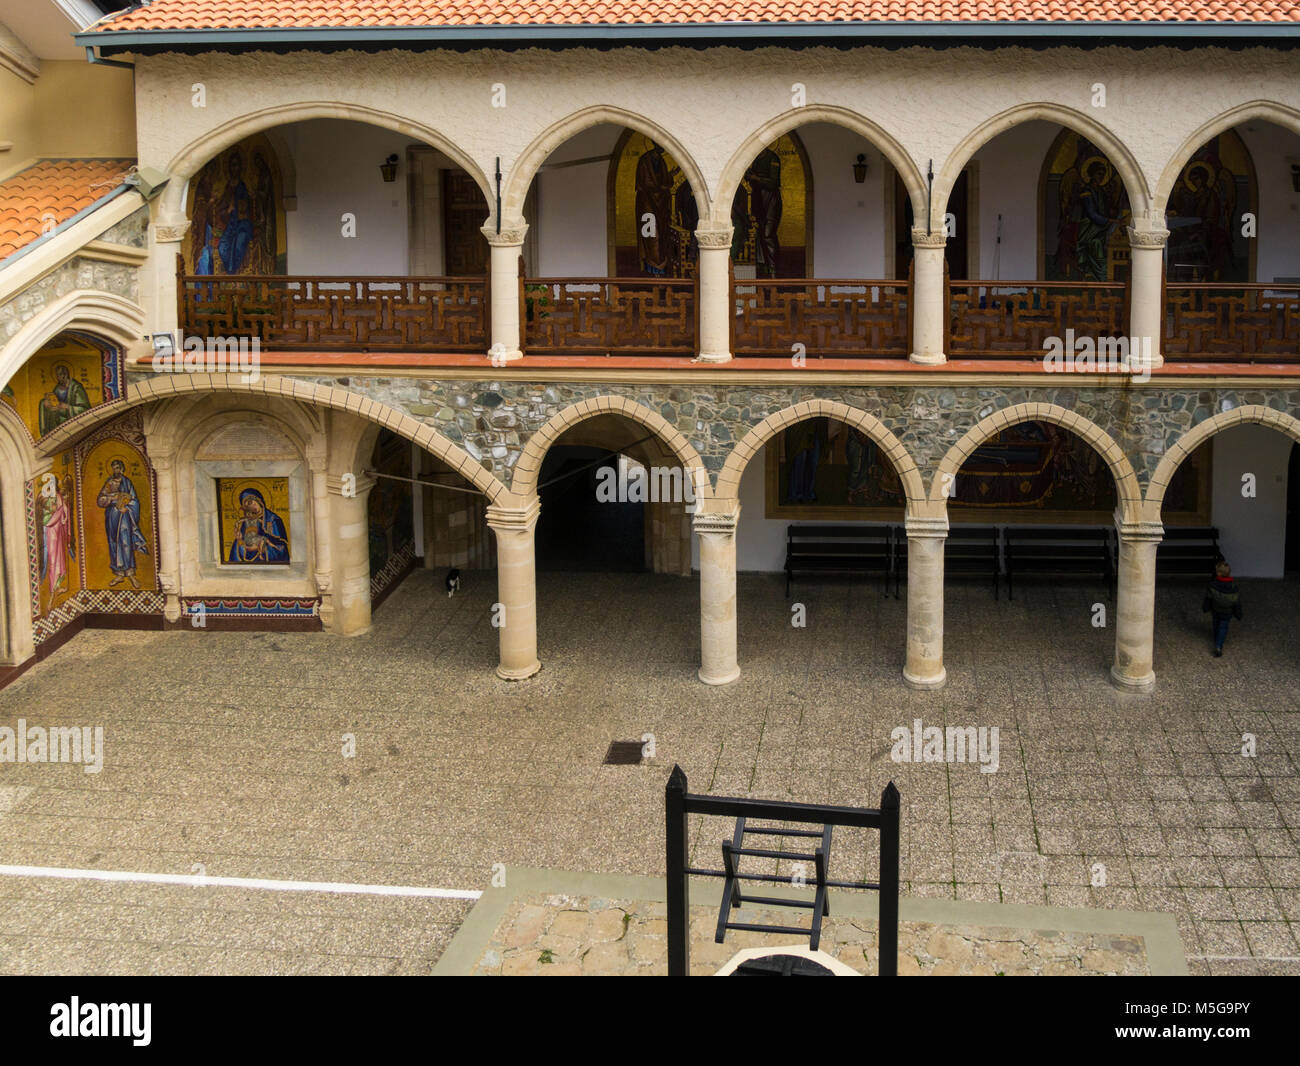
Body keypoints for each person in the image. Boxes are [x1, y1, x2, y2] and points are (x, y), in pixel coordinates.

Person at [1202, 560, 1242, 657]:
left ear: (1218, 573)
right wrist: (1238, 613)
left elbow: (1209, 597)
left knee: (1216, 624)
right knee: (1223, 627)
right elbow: (1237, 602)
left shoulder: (1213, 585)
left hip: (1216, 609)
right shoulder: (1233, 587)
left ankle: (1217, 640)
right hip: (1227, 612)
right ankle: (1219, 645)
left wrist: (1206, 607)